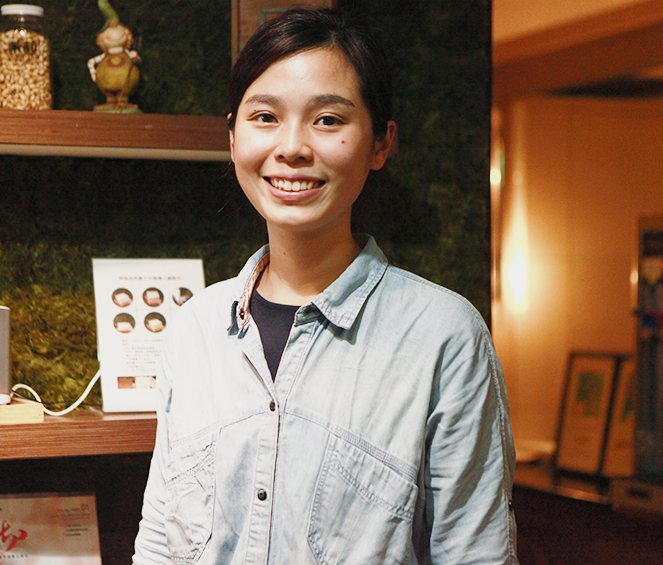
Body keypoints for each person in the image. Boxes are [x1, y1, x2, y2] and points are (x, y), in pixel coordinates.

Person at [133, 7, 518, 565]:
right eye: (265, 117)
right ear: (233, 138)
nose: (292, 147)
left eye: (328, 120)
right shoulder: (195, 329)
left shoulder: (444, 337)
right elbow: (158, 543)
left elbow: (475, 553)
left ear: (380, 144)